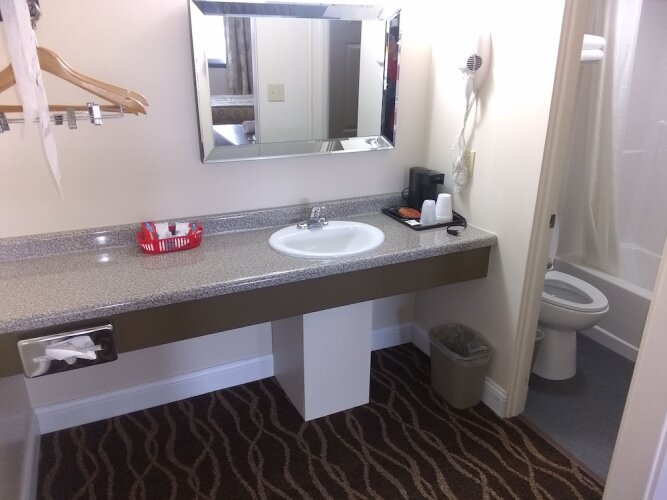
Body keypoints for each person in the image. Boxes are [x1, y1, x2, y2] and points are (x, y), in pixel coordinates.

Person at [382, 26, 399, 142]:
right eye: (387, 40)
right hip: (392, 87)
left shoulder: (403, 57)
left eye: (391, 39)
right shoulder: (386, 56)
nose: (389, 43)